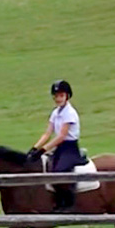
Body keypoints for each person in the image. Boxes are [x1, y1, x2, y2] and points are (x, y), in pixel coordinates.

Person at [31, 79, 82, 211]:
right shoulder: (55, 113)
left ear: (67, 96)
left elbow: (61, 136)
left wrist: (43, 149)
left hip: (70, 148)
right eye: (56, 96)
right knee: (46, 169)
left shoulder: (69, 113)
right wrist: (34, 148)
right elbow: (47, 133)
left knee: (58, 173)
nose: (58, 99)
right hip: (59, 148)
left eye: (61, 96)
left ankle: (69, 203)